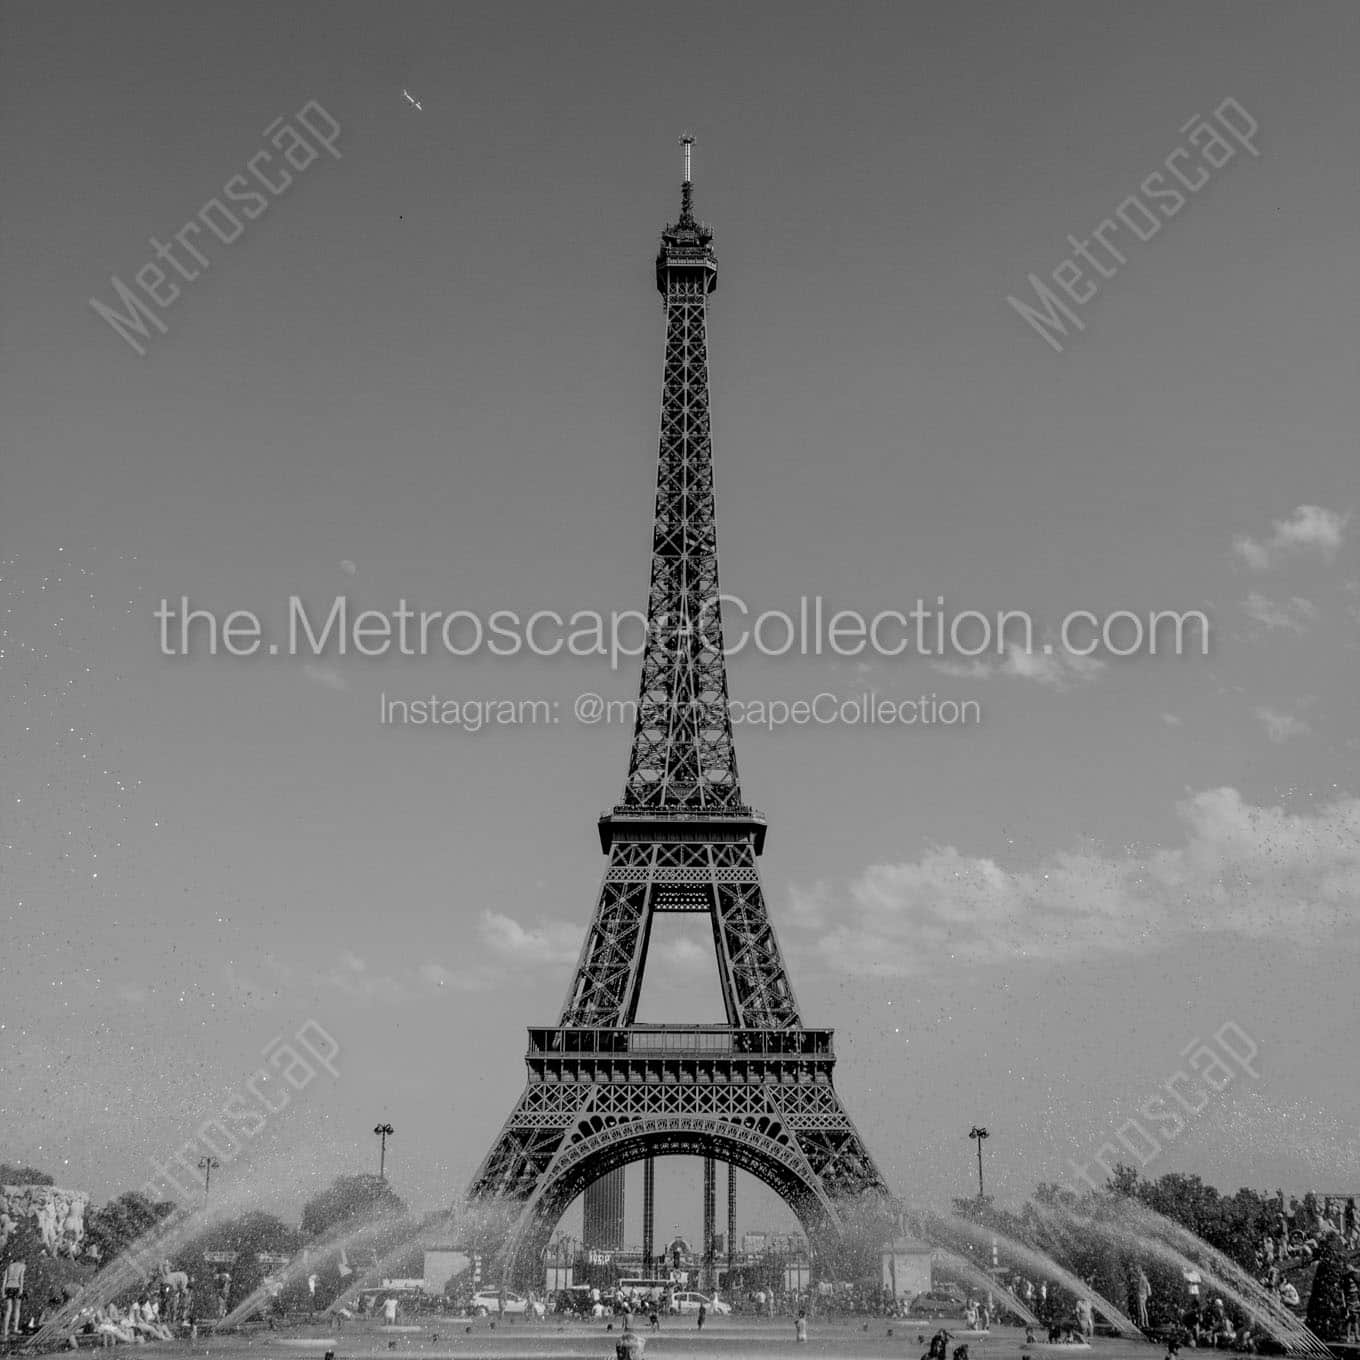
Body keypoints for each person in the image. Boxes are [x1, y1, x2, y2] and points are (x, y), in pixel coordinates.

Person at [2, 1258, 26, 1341]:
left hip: (8, 1288)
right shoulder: (22, 1266)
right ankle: (15, 1328)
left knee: (8, 1310)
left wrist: (2, 1292)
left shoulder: (9, 1266)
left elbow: (4, 1281)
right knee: (17, 1309)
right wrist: (21, 1290)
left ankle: (5, 1331)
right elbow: (21, 1278)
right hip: (16, 1287)